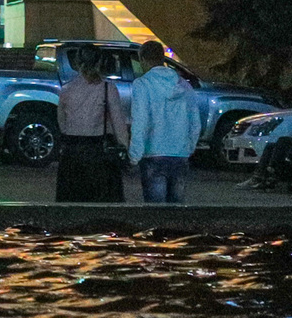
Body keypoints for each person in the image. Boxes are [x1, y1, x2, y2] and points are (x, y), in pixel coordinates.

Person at [127, 39, 201, 203]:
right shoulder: (184, 85)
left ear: (143, 59)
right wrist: (189, 147)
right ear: (162, 58)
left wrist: (134, 155)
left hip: (153, 153)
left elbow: (141, 122)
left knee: (155, 212)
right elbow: (195, 122)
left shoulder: (142, 84)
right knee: (175, 213)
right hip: (180, 154)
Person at [55, 50, 130, 201]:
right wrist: (126, 147)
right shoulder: (107, 88)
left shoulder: (67, 89)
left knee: (72, 201)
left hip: (72, 152)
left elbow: (62, 122)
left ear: (77, 64)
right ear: (99, 63)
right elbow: (118, 123)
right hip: (97, 151)